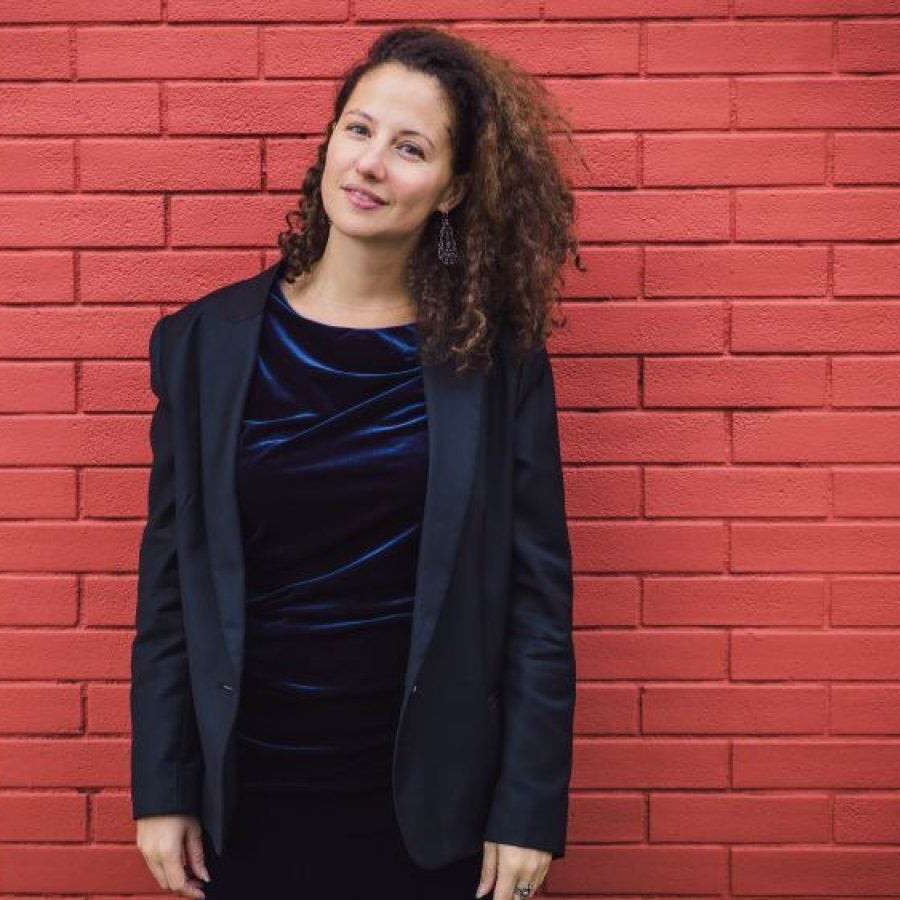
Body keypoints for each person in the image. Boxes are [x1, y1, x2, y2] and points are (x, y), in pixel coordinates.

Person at [131, 24, 585, 900]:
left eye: (411, 148)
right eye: (359, 129)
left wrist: (526, 810)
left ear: (452, 190)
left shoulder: (499, 365)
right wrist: (164, 786)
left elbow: (537, 606)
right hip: (247, 795)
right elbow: (168, 590)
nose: (372, 163)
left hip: (432, 810)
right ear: (330, 140)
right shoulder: (203, 345)